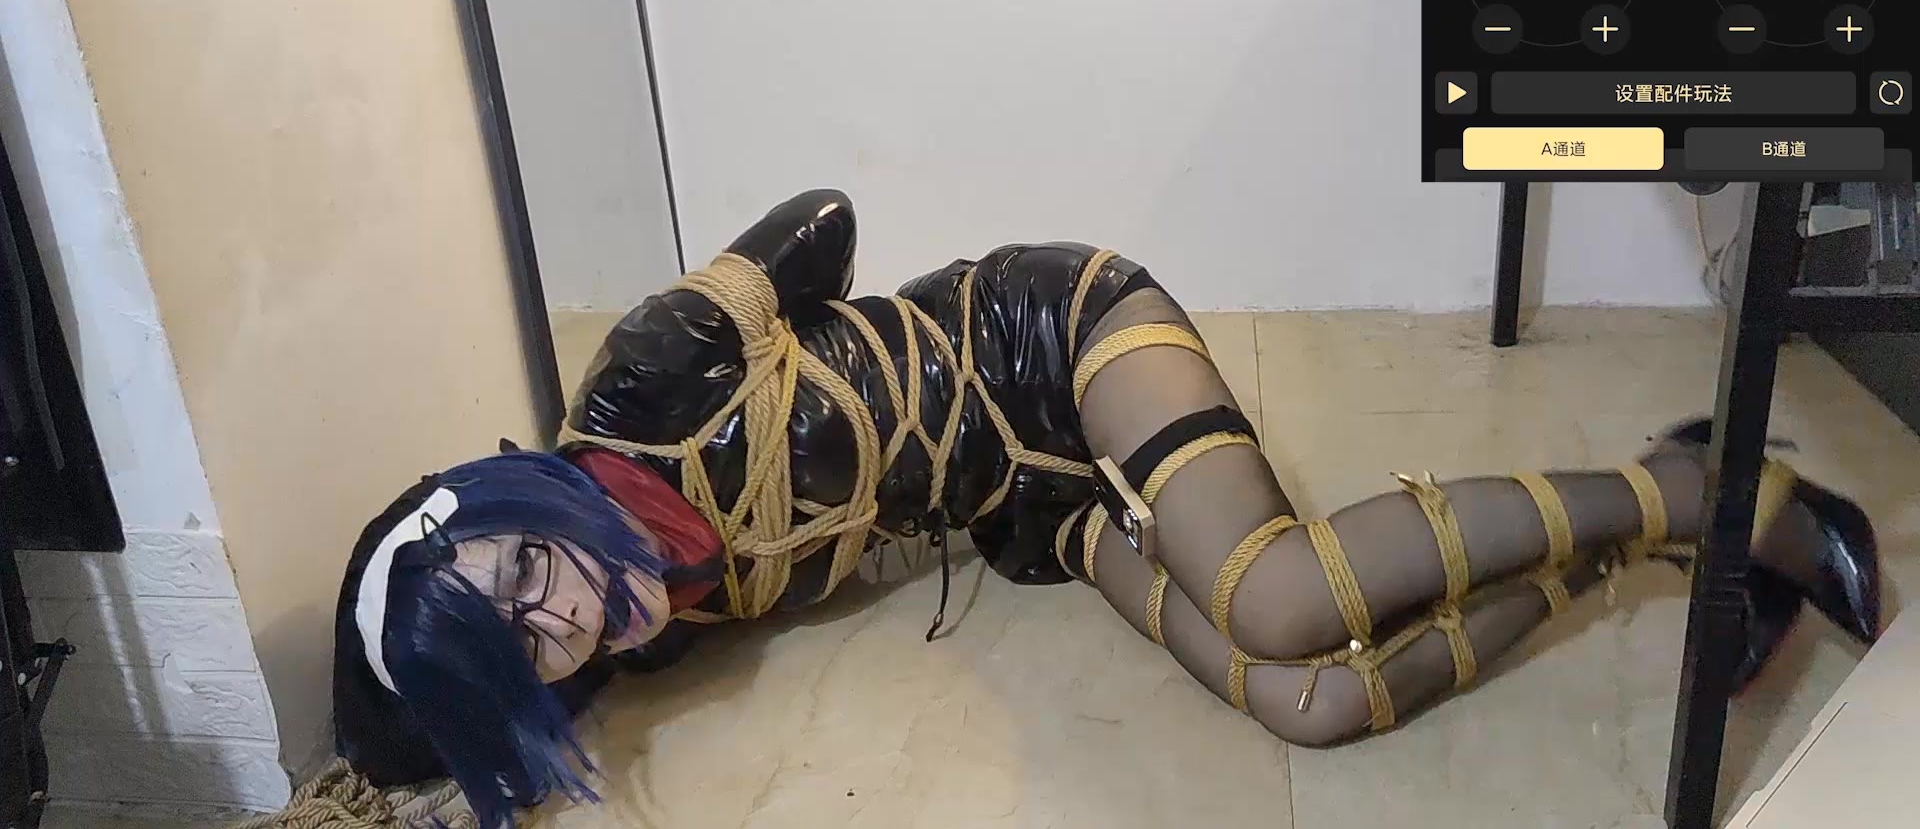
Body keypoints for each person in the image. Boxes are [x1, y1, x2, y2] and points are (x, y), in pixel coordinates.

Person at [332, 189, 1881, 829]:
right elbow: (451, 742)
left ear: (511, 492)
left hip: (1049, 334)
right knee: (1317, 702)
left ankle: (1713, 487)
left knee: (1280, 593)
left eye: (524, 569)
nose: (562, 613)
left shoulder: (647, 379)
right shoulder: (633, 628)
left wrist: (787, 329)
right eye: (529, 645)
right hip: (1028, 505)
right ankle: (1636, 542)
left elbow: (824, 223)